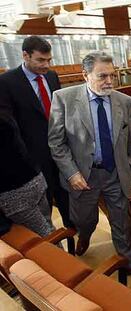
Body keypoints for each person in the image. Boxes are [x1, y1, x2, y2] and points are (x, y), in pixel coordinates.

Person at [48, 51, 131, 280]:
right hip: (83, 177)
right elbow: (56, 143)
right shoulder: (63, 99)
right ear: (85, 75)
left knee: (121, 221)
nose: (109, 82)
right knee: (86, 220)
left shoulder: (124, 101)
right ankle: (84, 236)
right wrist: (71, 172)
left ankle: (129, 262)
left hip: (115, 173)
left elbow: (130, 138)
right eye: (102, 76)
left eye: (112, 76)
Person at [0, 35, 73, 229]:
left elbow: (59, 111)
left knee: (66, 197)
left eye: (49, 60)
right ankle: (51, 241)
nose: (46, 65)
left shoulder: (51, 76)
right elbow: (9, 126)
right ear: (25, 55)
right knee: (45, 206)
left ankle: (72, 231)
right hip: (34, 158)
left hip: (60, 150)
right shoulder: (6, 82)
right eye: (41, 60)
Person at [0, 112, 53, 237]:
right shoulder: (4, 115)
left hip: (15, 193)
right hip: (34, 178)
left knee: (43, 236)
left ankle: (60, 256)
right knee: (48, 227)